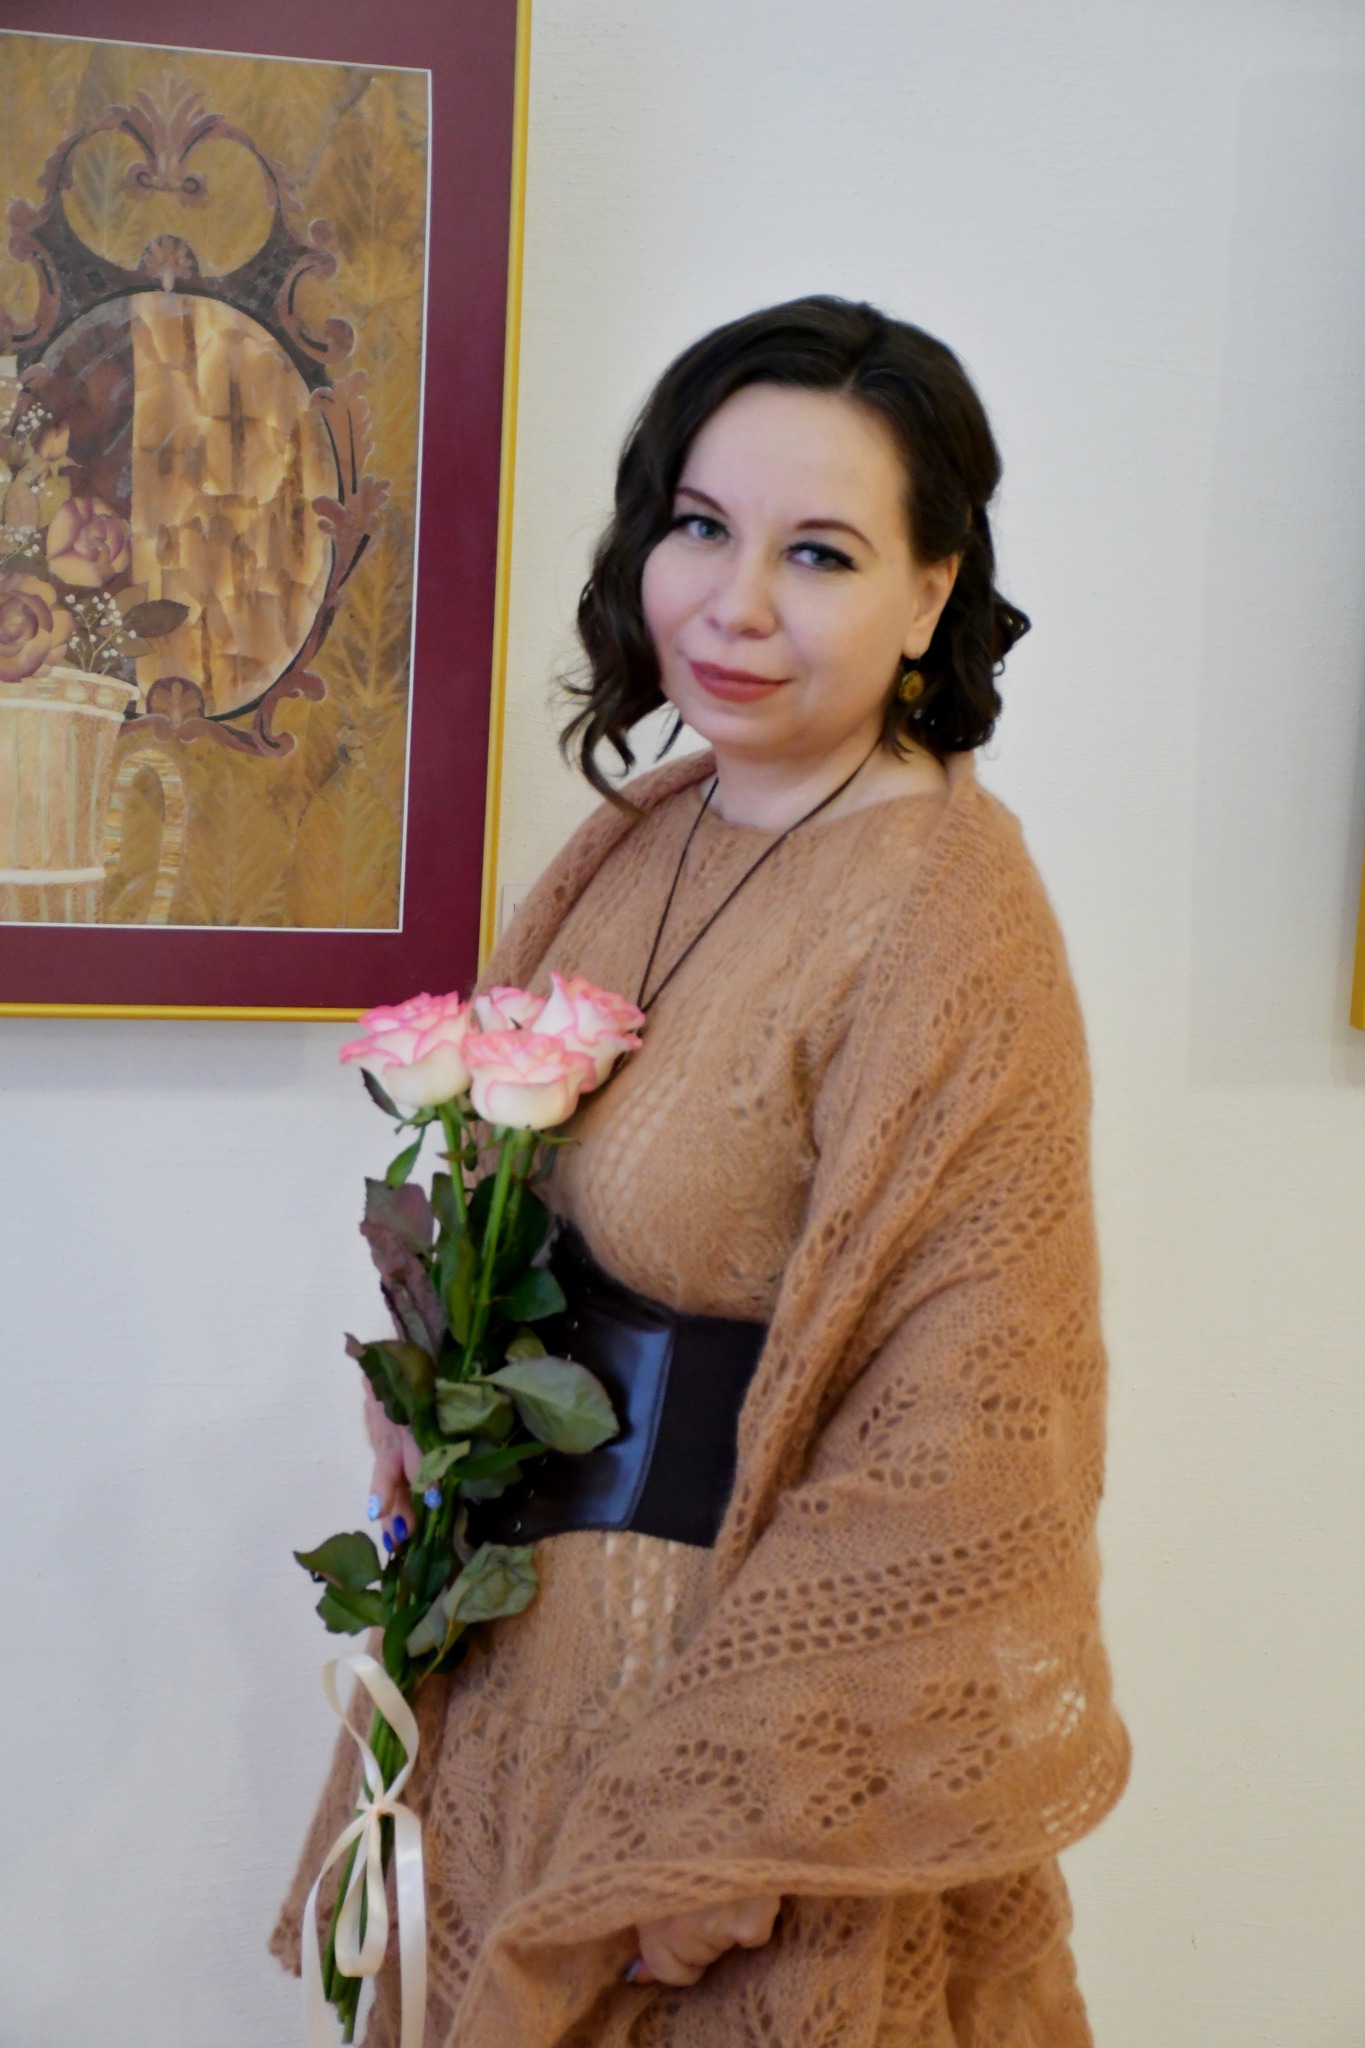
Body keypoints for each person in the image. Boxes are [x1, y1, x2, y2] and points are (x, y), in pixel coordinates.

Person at [273, 294, 1130, 2045]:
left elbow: (975, 1433)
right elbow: (525, 1218)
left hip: (722, 1759)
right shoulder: (638, 837)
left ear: (930, 594)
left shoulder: (947, 917)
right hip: (522, 1689)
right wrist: (434, 1388)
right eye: (698, 526)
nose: (734, 605)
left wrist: (746, 1811)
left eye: (817, 553)